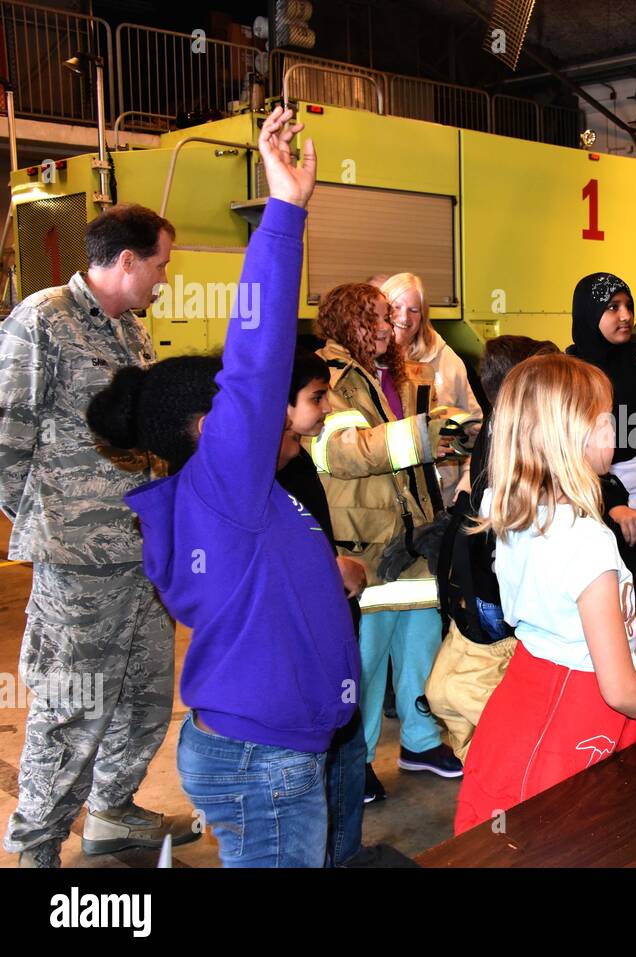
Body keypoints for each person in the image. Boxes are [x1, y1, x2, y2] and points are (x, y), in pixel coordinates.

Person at [86, 106, 360, 867]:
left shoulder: (239, 498)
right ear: (213, 428)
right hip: (261, 758)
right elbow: (256, 356)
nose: (274, 409)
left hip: (270, 745)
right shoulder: (225, 487)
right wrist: (285, 211)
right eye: (244, 408)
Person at [0, 199, 199, 867]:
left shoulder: (132, 332)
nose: (163, 279)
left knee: (144, 696)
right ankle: (36, 846)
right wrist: (50, 523)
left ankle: (112, 811)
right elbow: (6, 437)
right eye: (160, 265)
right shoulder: (43, 321)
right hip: (77, 563)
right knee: (69, 710)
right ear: (125, 261)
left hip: (141, 554)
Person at [454, 354, 636, 834]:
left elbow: (584, 627)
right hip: (574, 716)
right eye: (608, 420)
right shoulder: (588, 544)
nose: (618, 430)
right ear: (578, 435)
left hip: (528, 696)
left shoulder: (509, 508)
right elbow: (620, 690)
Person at [310, 281, 466, 802]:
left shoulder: (400, 376)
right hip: (364, 545)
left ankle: (420, 743)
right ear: (343, 320)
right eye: (374, 317)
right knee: (365, 663)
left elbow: (418, 446)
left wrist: (452, 438)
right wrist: (424, 434)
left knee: (421, 645)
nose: (388, 326)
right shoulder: (329, 379)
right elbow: (342, 453)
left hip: (414, 536)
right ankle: (357, 759)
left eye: (390, 316)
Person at [424, 335, 558, 762]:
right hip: (496, 597)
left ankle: (490, 769)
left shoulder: (499, 429)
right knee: (478, 688)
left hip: (483, 588)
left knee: (459, 688)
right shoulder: (518, 438)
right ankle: (504, 770)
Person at [275, 348, 369, 866]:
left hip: (331, 633)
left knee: (346, 753)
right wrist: (335, 571)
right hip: (307, 649)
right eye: (316, 396)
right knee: (327, 761)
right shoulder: (270, 476)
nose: (329, 405)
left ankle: (343, 853)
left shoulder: (297, 459)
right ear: (280, 405)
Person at [567, 273, 636, 650]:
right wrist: (613, 504)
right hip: (600, 514)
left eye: (628, 305)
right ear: (588, 313)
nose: (625, 315)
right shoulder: (572, 372)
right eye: (612, 307)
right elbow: (567, 455)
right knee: (622, 619)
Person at [381, 272, 483, 506]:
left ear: (423, 315)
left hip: (443, 494)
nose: (403, 317)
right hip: (390, 497)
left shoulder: (447, 359)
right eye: (396, 307)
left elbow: (475, 426)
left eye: (413, 310)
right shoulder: (369, 362)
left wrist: (467, 480)